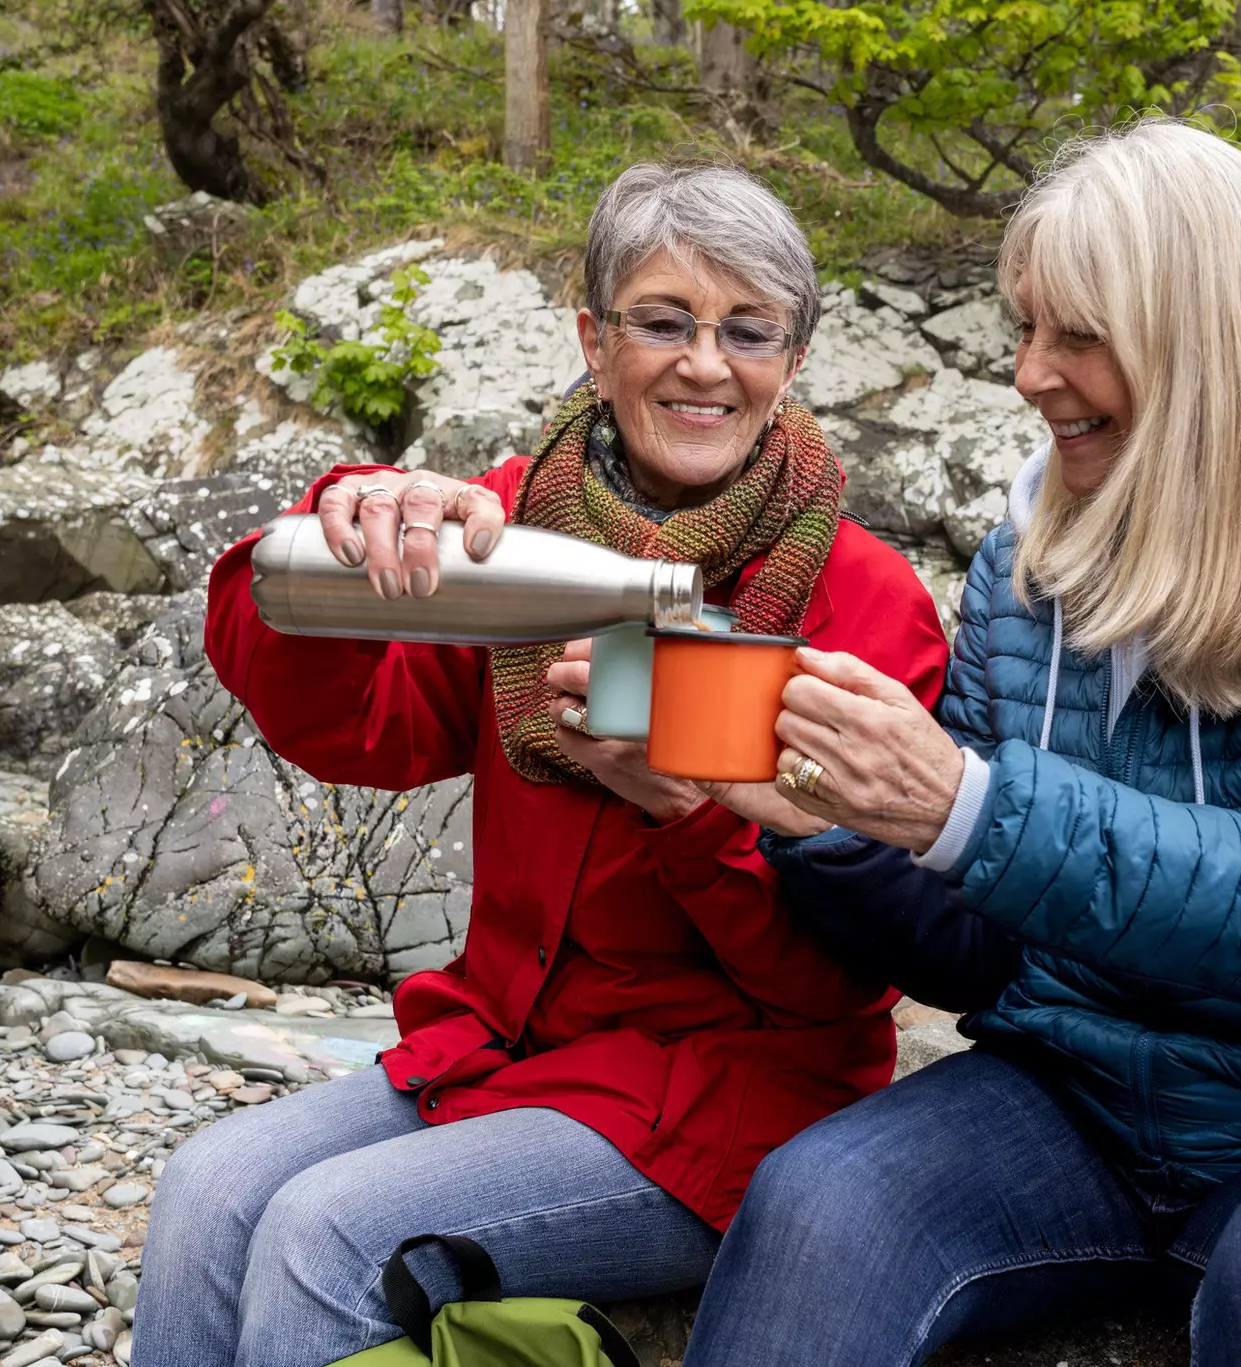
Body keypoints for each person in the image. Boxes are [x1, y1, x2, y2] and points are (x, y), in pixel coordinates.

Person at [684, 119, 1241, 1367]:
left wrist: (964, 805)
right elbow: (974, 955)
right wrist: (831, 830)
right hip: (1070, 1097)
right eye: (1022, 329)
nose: (1029, 373)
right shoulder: (1029, 559)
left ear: (1207, 342)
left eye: (1076, 334)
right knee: (820, 1201)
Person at [133, 162, 949, 1367]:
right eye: (662, 321)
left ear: (794, 360)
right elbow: (360, 734)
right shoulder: (506, 525)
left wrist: (685, 813)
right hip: (507, 1043)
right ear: (592, 337)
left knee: (326, 1232)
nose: (704, 364)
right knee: (206, 1188)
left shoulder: (864, 603)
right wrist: (340, 536)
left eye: (749, 331)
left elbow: (845, 982)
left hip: (722, 1098)